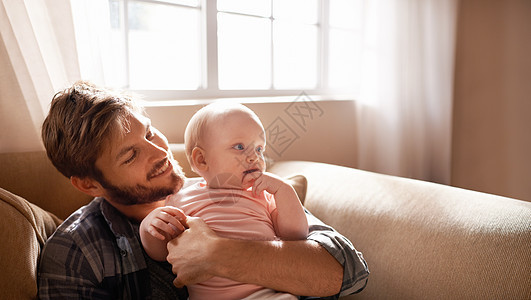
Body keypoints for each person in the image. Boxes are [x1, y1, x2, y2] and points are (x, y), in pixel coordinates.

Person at [38, 81, 369, 299]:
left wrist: (220, 254)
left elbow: (347, 271)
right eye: (131, 154)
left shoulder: (233, 186)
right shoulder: (76, 253)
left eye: (150, 133)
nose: (160, 153)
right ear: (89, 184)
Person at [140, 103, 308, 299]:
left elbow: (296, 235)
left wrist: (285, 191)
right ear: (201, 160)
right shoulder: (181, 198)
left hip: (263, 295)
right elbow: (160, 253)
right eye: (239, 147)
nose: (255, 157)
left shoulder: (263, 194)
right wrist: (149, 225)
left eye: (260, 149)